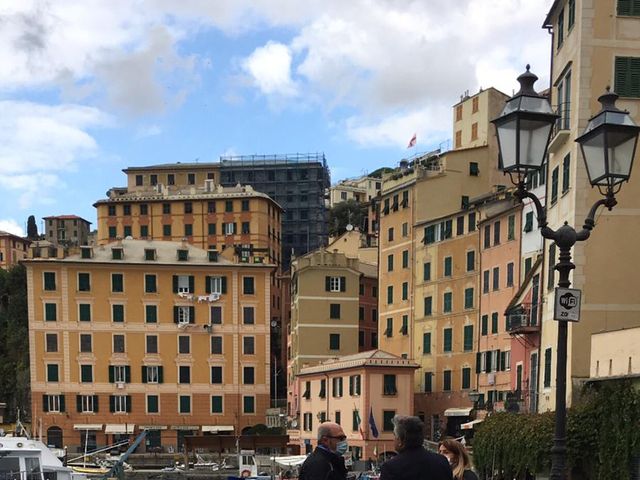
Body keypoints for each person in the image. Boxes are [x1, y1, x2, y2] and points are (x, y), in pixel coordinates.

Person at [380, 415, 452, 480]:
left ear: (400, 441)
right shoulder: (441, 461)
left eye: (395, 436)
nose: (393, 440)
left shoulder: (391, 468)